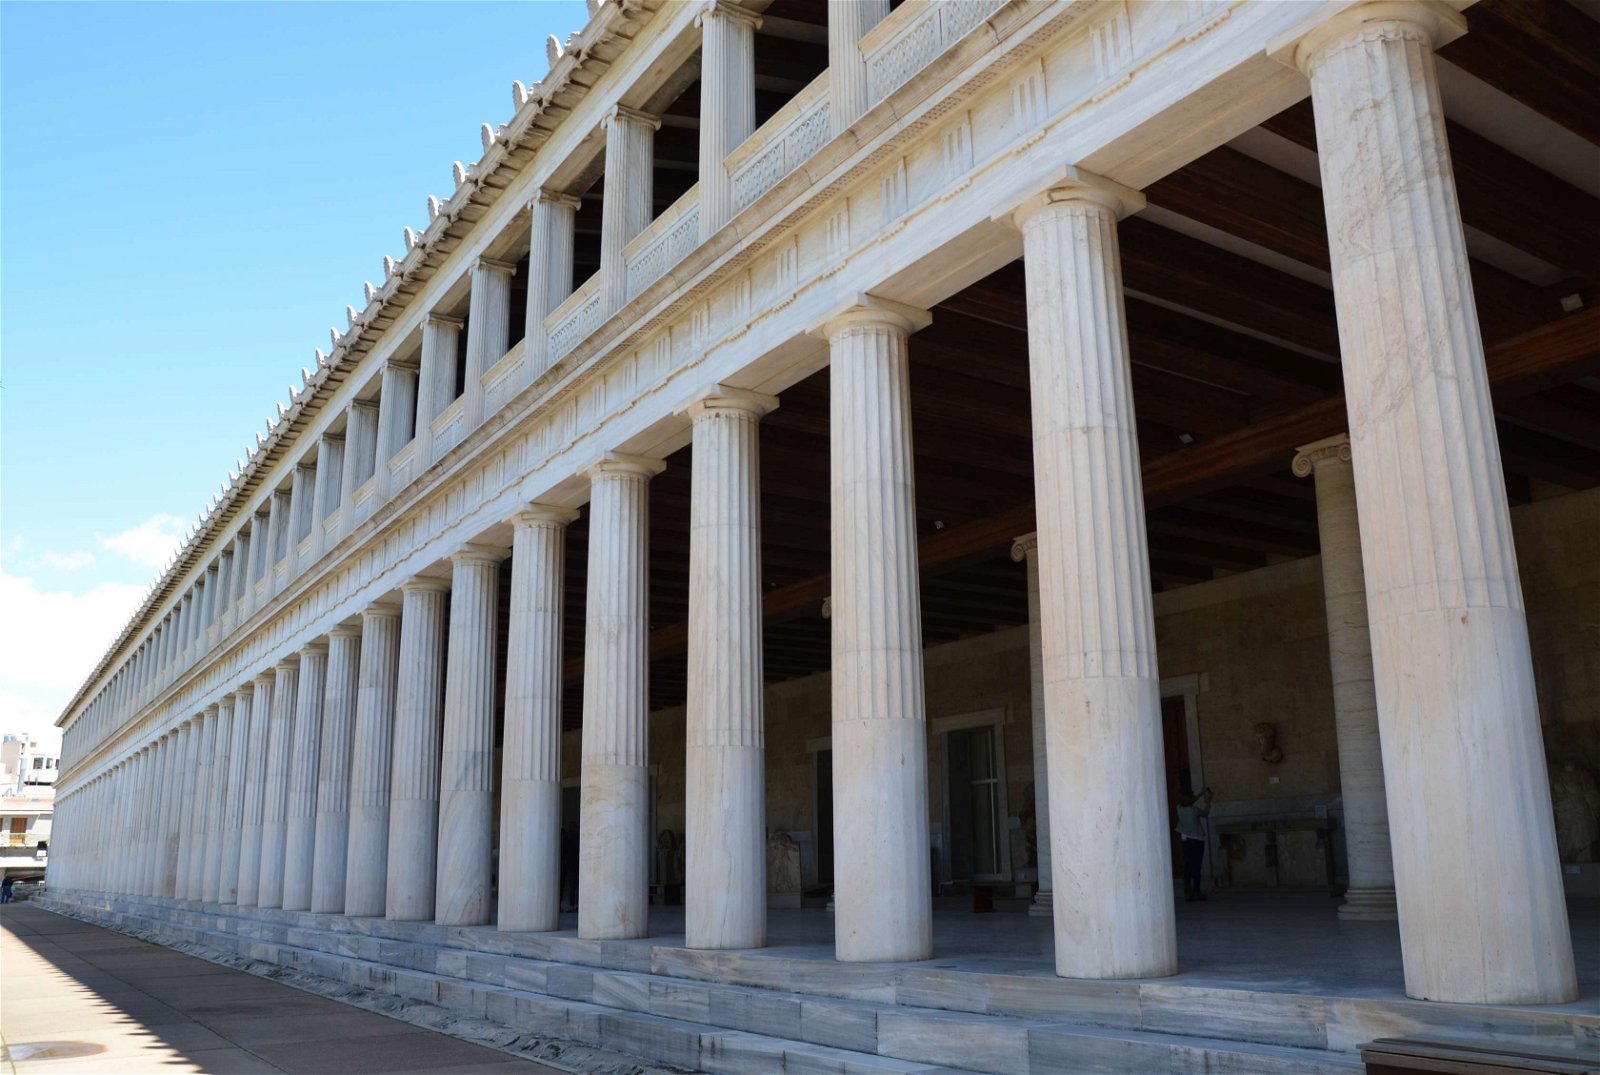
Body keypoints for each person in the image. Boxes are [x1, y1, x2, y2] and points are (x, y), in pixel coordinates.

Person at [1175, 786, 1212, 902]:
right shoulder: (1194, 810)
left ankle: (1187, 892)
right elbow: (1205, 813)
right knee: (1197, 867)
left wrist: (1200, 794)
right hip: (1197, 841)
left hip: (1186, 841)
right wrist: (1208, 802)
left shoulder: (1179, 809)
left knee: (1188, 867)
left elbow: (1188, 801)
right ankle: (1196, 891)